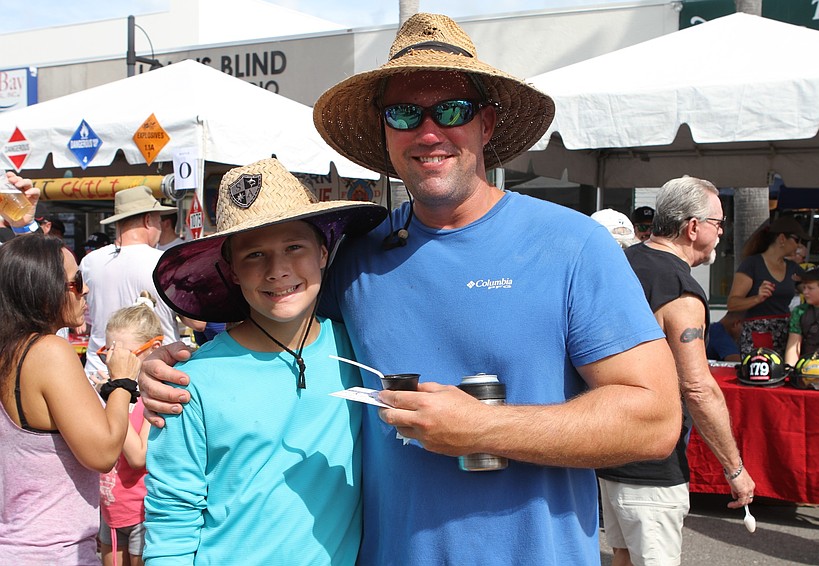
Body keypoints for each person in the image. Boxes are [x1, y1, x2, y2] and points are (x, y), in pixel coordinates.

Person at [141, 14, 681, 565]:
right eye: (403, 113)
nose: (428, 132)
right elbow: (268, 332)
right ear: (385, 132)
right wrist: (168, 366)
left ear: (486, 126)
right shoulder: (356, 257)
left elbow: (656, 421)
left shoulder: (571, 245)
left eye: (452, 110)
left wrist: (486, 427)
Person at [143, 158, 386, 565]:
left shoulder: (360, 349)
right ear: (232, 271)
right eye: (254, 255)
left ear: (324, 253)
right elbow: (171, 516)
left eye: (294, 247)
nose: (278, 270)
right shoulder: (190, 382)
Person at [598, 176, 755, 566]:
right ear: (693, 227)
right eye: (718, 223)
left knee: (622, 555)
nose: (721, 233)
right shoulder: (681, 290)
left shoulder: (624, 261)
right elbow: (698, 387)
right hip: (651, 458)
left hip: (605, 442)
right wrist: (735, 469)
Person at [0, 230, 141, 564]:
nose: (86, 289)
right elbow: (104, 452)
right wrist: (121, 381)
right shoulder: (48, 351)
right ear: (42, 288)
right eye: (76, 281)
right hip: (50, 550)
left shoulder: (11, 351)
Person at [79, 186, 200, 375]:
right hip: (153, 374)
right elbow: (197, 323)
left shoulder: (89, 262)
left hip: (100, 371)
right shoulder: (166, 263)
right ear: (147, 220)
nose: (160, 229)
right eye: (159, 221)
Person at [98, 293, 163, 566]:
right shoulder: (110, 392)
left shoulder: (154, 396)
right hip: (109, 510)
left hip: (140, 512)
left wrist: (117, 393)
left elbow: (138, 457)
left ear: (154, 347)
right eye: (107, 354)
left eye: (123, 355)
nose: (113, 363)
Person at [726, 215, 810, 356]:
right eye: (797, 240)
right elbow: (732, 303)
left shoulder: (793, 268)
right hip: (758, 332)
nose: (799, 246)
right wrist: (757, 298)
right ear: (782, 238)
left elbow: (813, 290)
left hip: (785, 333)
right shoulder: (752, 264)